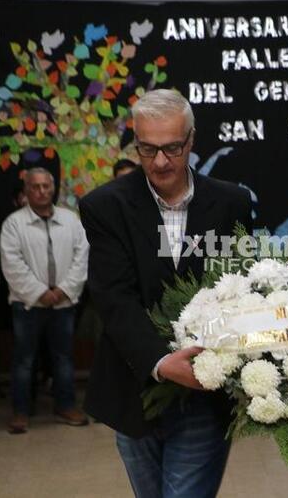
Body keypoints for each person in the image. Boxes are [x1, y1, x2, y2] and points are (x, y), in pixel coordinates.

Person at [79, 89, 253, 498]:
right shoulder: (105, 206)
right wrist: (159, 361)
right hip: (133, 387)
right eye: (147, 149)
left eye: (172, 148)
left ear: (191, 140)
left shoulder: (231, 203)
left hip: (204, 390)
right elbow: (113, 297)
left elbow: (243, 286)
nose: (160, 162)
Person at [0, 167, 89, 434]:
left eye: (46, 186)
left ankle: (65, 406)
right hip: (27, 304)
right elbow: (12, 264)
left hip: (63, 303)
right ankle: (20, 412)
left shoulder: (71, 220)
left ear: (54, 189)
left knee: (63, 358)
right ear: (26, 191)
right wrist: (41, 292)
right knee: (24, 360)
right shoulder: (14, 223)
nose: (42, 192)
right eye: (35, 187)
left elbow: (81, 258)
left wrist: (62, 291)